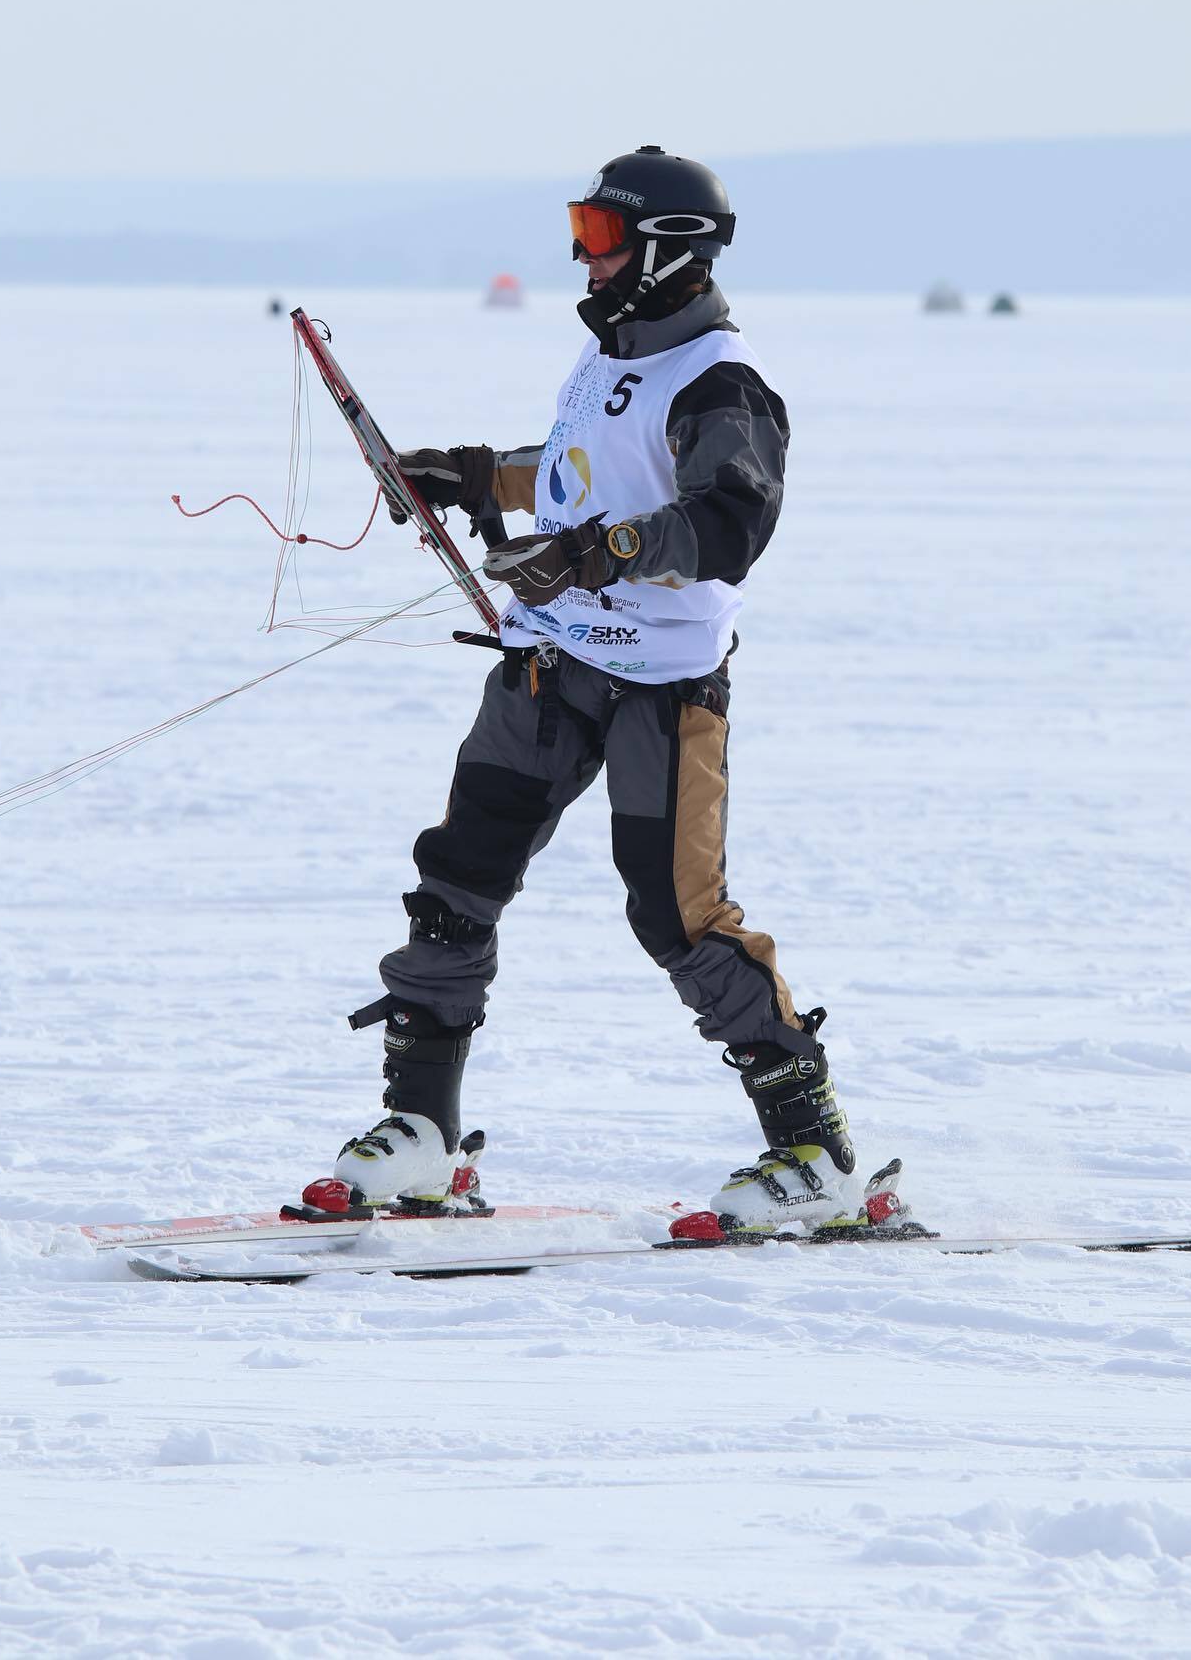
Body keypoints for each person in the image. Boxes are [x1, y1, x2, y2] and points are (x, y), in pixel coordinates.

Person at [298, 147, 905, 1238]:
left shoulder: (724, 381)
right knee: (458, 877)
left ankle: (815, 1152)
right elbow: (583, 465)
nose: (586, 255)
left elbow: (729, 522)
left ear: (668, 249)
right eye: (582, 230)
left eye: (600, 234)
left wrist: (596, 552)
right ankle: (423, 1133)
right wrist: (473, 475)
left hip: (663, 694)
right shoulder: (612, 355)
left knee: (676, 914)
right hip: (547, 664)